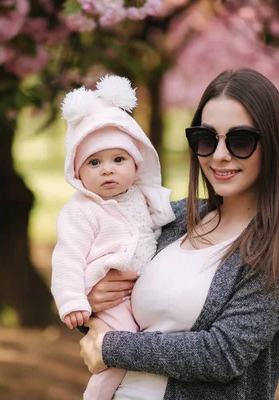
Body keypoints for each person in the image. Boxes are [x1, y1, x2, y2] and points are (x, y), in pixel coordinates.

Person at [79, 68, 279, 400]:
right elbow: (98, 266)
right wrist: (90, 299)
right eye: (207, 139)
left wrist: (112, 347)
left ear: (273, 144)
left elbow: (222, 354)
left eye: (240, 140)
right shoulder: (175, 218)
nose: (220, 154)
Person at [51, 74, 175, 400]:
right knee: (116, 353)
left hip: (138, 297)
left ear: (136, 164)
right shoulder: (81, 211)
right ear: (77, 173)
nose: (108, 169)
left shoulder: (141, 196)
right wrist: (73, 301)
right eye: (94, 162)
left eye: (118, 159)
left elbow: (161, 222)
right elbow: (67, 258)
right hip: (110, 300)